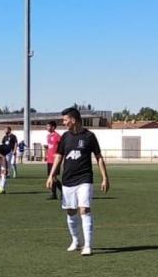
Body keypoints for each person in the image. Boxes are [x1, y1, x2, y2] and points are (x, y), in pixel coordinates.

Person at [45, 107, 110, 256]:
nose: (64, 122)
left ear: (73, 120)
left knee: (84, 209)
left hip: (84, 179)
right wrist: (51, 175)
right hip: (68, 180)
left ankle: (88, 245)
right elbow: (59, 157)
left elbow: (99, 157)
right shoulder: (65, 137)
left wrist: (105, 178)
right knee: (70, 211)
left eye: (65, 120)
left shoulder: (89, 136)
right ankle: (76, 241)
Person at [45, 120, 61, 199]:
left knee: (54, 177)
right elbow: (48, 147)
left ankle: (63, 191)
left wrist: (59, 154)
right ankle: (54, 194)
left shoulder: (57, 136)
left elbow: (62, 146)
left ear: (53, 127)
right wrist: (46, 155)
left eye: (48, 126)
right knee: (50, 177)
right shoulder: (48, 136)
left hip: (55, 160)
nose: (47, 127)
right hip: (49, 159)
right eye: (47, 126)